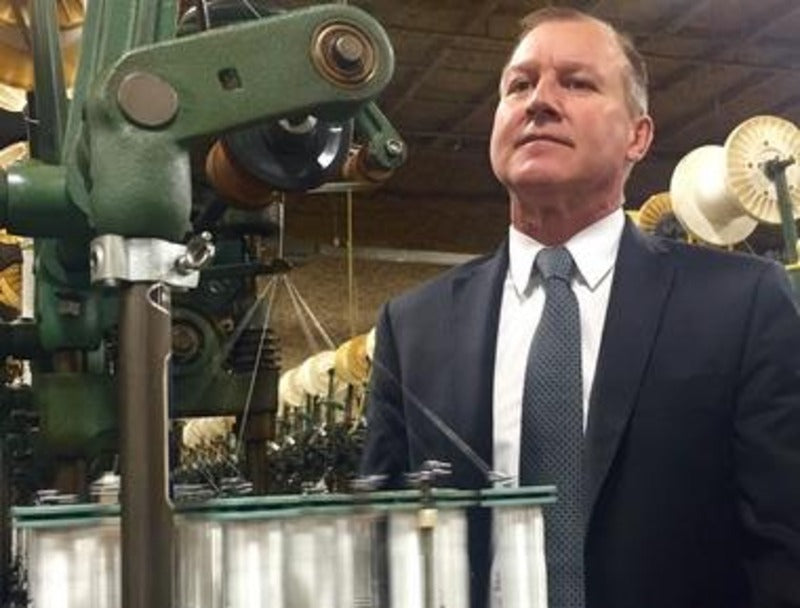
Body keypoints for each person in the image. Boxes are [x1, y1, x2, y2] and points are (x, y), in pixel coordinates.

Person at [360, 6, 800, 608]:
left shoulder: (742, 304)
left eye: (577, 82)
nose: (539, 101)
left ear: (638, 136)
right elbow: (387, 548)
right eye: (519, 84)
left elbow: (785, 544)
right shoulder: (413, 330)